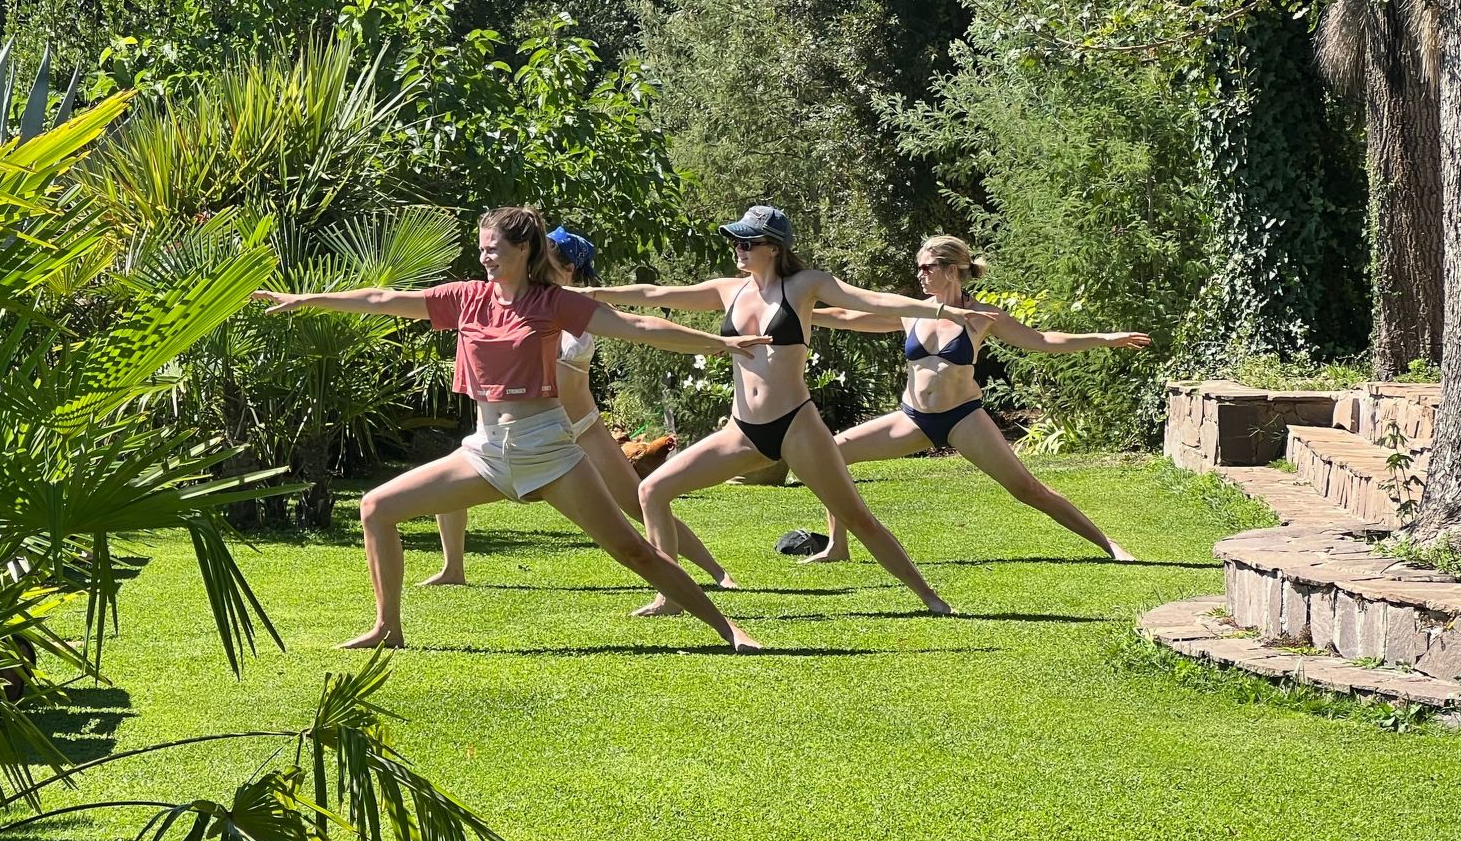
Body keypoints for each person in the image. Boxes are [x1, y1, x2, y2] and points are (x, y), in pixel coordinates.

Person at [252, 205, 767, 652]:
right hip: (485, 451)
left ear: (523, 249)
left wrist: (716, 344)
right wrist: (307, 299)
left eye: (494, 248)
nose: (485, 257)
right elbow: (383, 300)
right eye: (481, 249)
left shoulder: (552, 302)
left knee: (632, 549)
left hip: (547, 448)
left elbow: (636, 326)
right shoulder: (467, 297)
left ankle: (729, 628)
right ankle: (388, 627)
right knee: (376, 508)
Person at [584, 204, 989, 617]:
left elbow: (873, 301)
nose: (739, 249)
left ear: (774, 248)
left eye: (748, 242)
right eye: (736, 241)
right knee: (652, 490)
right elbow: (655, 294)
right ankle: (670, 597)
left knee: (858, 517)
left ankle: (931, 598)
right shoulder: (729, 289)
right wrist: (592, 295)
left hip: (796, 425)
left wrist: (941, 310)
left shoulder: (804, 285)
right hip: (742, 430)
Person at [792, 234, 1152, 564]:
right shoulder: (912, 311)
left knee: (1027, 489)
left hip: (963, 419)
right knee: (834, 453)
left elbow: (1042, 340)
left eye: (927, 268)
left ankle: (1109, 545)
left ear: (951, 271)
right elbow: (847, 317)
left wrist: (1104, 338)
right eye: (918, 267)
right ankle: (838, 547)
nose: (920, 274)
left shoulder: (981, 316)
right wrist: (794, 312)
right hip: (912, 418)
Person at [426, 226, 737, 594]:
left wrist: (716, 343)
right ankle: (453, 567)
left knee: (637, 503)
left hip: (582, 428)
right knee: (447, 484)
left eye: (547, 258)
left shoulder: (571, 307)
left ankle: (716, 572)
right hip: (534, 431)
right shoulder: (528, 299)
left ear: (569, 268)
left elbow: (639, 325)